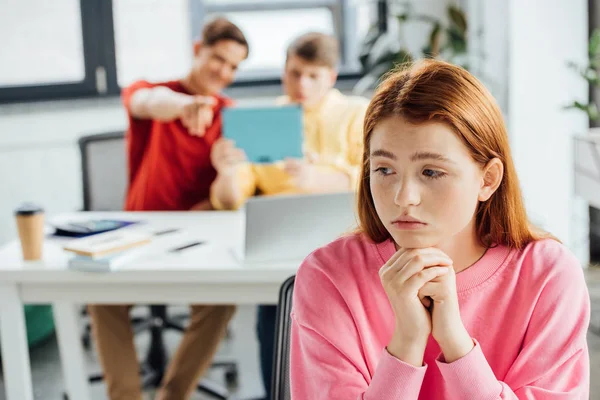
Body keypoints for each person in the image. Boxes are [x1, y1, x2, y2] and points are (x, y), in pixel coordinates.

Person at [290, 59, 591, 399]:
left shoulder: (548, 275)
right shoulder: (328, 275)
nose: (404, 197)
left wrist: (455, 341)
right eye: (385, 170)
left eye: (431, 172)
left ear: (487, 179)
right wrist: (407, 340)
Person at [87, 17, 249, 400]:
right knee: (101, 295)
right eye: (218, 59)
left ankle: (173, 394)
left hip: (198, 234)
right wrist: (185, 105)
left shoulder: (232, 116)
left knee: (221, 300)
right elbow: (147, 102)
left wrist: (227, 171)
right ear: (197, 49)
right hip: (140, 228)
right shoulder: (155, 95)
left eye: (233, 67)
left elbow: (229, 199)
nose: (224, 72)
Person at [209, 32, 369, 398]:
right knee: (278, 309)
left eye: (313, 76)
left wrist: (318, 177)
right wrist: (226, 170)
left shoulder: (357, 113)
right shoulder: (264, 121)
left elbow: (377, 179)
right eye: (295, 73)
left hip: (346, 241)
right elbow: (231, 199)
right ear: (284, 71)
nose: (302, 84)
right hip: (280, 253)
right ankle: (277, 392)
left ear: (330, 76)